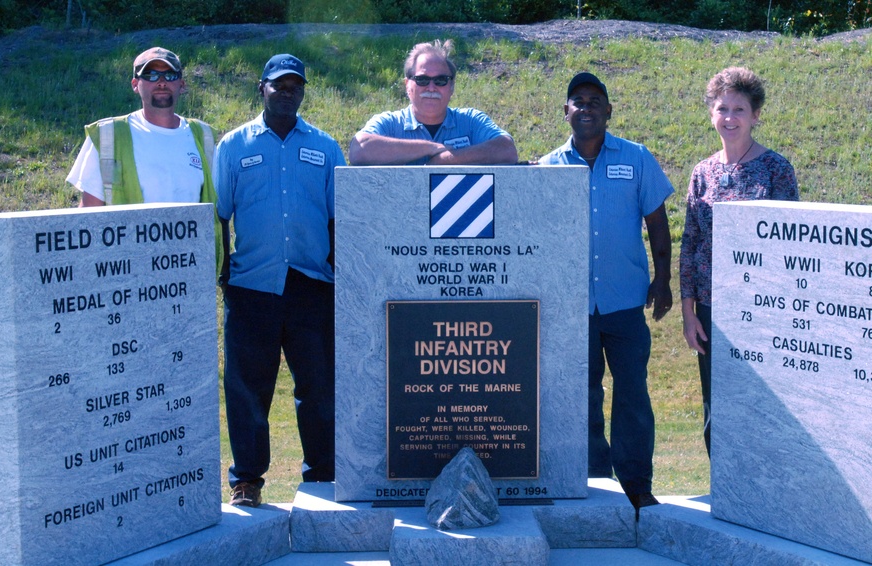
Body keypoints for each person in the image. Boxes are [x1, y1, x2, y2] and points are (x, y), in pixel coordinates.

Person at [213, 54, 345, 507]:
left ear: (303, 92)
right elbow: (221, 215)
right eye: (278, 85)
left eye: (295, 86)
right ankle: (247, 479)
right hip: (252, 286)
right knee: (248, 388)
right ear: (261, 88)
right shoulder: (233, 146)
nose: (286, 92)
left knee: (319, 387)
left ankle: (323, 477)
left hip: (312, 283)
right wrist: (226, 276)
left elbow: (337, 217)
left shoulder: (326, 148)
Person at [539, 72, 674, 513]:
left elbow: (657, 222)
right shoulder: (549, 167)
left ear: (609, 110)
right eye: (578, 101)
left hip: (624, 302)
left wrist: (663, 278)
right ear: (566, 113)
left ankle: (636, 485)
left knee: (633, 393)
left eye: (596, 100)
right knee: (583, 395)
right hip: (571, 306)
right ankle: (597, 482)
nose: (587, 107)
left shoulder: (636, 158)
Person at [680, 67, 799, 457]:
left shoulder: (776, 170)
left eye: (739, 109)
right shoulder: (703, 173)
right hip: (713, 311)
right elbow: (690, 244)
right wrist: (688, 312)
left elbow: (791, 248)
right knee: (717, 408)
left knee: (761, 406)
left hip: (762, 310)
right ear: (711, 114)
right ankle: (723, 494)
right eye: (722, 108)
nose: (730, 118)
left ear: (756, 115)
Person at [66, 46, 222, 270]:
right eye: (150, 75)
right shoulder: (109, 135)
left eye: (169, 75)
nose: (161, 82)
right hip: (128, 275)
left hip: (188, 272)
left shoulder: (203, 136)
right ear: (135, 85)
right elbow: (88, 213)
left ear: (182, 84)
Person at [348, 39, 518, 165]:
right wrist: (430, 148)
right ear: (408, 85)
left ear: (451, 86)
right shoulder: (389, 123)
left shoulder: (471, 121)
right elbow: (359, 149)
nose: (431, 87)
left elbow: (507, 149)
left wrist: (447, 159)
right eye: (422, 80)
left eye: (441, 80)